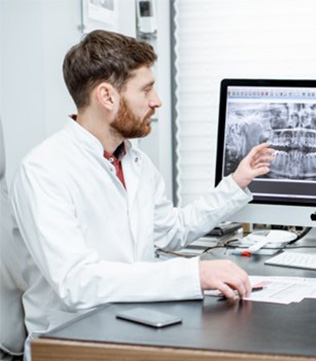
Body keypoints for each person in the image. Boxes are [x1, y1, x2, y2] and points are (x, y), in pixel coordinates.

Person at [8, 30, 274, 356]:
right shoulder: (44, 170)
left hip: (137, 326)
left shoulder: (134, 161)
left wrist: (235, 183)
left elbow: (171, 230)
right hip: (72, 343)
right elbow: (77, 283)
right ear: (107, 97)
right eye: (146, 89)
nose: (157, 100)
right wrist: (193, 274)